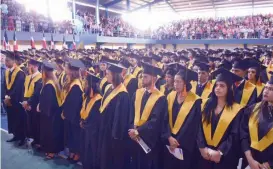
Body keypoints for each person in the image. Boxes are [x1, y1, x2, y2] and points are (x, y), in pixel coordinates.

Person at [197, 68, 244, 169]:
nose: (218, 88)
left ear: (229, 88)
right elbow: (198, 127)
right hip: (203, 154)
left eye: (222, 86)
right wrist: (202, 148)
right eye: (216, 85)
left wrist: (220, 152)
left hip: (224, 157)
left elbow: (234, 134)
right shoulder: (205, 104)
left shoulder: (237, 109)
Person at [128, 62, 168, 169]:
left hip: (149, 141)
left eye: (145, 77)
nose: (142, 79)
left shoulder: (160, 98)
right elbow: (131, 114)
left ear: (154, 79)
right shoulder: (137, 93)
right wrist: (132, 129)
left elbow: (155, 121)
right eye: (142, 77)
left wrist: (138, 131)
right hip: (134, 138)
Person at [163, 67, 202, 169]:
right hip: (169, 141)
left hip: (184, 146)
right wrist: (169, 137)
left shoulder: (195, 101)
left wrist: (177, 142)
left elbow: (192, 126)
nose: (175, 84)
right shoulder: (170, 96)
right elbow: (164, 119)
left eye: (178, 82)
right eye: (175, 81)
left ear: (185, 83)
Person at [97, 62, 130, 169]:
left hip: (113, 133)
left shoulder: (123, 94)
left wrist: (115, 136)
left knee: (112, 159)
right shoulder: (108, 87)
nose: (106, 75)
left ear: (115, 76)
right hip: (105, 128)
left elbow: (121, 119)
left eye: (108, 74)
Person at [240, 74, 273, 169]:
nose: (266, 91)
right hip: (249, 161)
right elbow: (243, 134)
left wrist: (270, 164)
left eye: (271, 89)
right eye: (266, 87)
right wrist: (250, 159)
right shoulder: (253, 109)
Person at [38, 61, 64, 159]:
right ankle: (51, 149)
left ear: (45, 73)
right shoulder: (53, 82)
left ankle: (52, 151)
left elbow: (48, 102)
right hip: (54, 112)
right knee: (52, 132)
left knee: (51, 132)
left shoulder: (49, 85)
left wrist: (41, 108)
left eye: (42, 71)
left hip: (50, 113)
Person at [61, 58, 84, 163]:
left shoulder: (76, 85)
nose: (64, 68)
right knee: (70, 134)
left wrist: (66, 113)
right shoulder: (70, 81)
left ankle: (77, 153)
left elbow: (74, 104)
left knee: (75, 134)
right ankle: (72, 151)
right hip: (69, 114)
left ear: (71, 70)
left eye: (66, 67)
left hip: (74, 115)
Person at [80, 72, 102, 169]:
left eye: (87, 84)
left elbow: (95, 118)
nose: (85, 85)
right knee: (85, 149)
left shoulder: (98, 100)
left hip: (94, 131)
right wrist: (82, 121)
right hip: (86, 128)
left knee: (92, 151)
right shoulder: (87, 96)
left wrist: (85, 124)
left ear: (91, 86)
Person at [4, 52, 26, 146]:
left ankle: (22, 138)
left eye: (7, 60)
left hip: (17, 100)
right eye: (5, 60)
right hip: (9, 100)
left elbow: (18, 88)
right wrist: (5, 96)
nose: (5, 62)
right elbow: (4, 85)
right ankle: (15, 135)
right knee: (12, 118)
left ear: (13, 62)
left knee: (19, 119)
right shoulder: (7, 71)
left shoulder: (20, 73)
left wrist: (10, 97)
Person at [21, 58, 43, 147]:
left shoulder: (40, 78)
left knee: (36, 123)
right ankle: (34, 138)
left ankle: (38, 140)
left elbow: (36, 93)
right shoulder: (28, 77)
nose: (28, 67)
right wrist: (24, 102)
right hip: (27, 103)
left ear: (35, 66)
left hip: (34, 105)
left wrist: (29, 103)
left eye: (29, 66)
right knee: (30, 123)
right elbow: (24, 90)